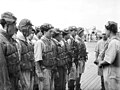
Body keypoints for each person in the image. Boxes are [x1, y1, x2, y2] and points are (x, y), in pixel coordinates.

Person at [0, 12, 21, 90]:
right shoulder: (1, 41)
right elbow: (2, 67)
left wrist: (19, 80)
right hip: (6, 83)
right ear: (6, 25)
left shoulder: (10, 40)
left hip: (14, 80)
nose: (15, 28)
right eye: (14, 25)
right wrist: (6, 86)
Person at [98, 21, 120, 90]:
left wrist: (100, 62)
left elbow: (108, 60)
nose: (105, 31)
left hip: (112, 75)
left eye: (106, 29)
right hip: (113, 73)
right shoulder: (115, 41)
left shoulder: (113, 43)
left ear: (109, 30)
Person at [34, 23, 56, 90]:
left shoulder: (51, 42)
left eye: (52, 31)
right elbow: (37, 59)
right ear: (44, 32)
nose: (52, 33)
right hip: (44, 70)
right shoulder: (40, 42)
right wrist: (39, 73)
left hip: (51, 69)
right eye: (50, 31)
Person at [17, 19, 35, 90]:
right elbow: (17, 61)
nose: (31, 31)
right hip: (23, 72)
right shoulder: (18, 41)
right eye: (30, 28)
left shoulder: (26, 40)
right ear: (25, 28)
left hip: (29, 70)